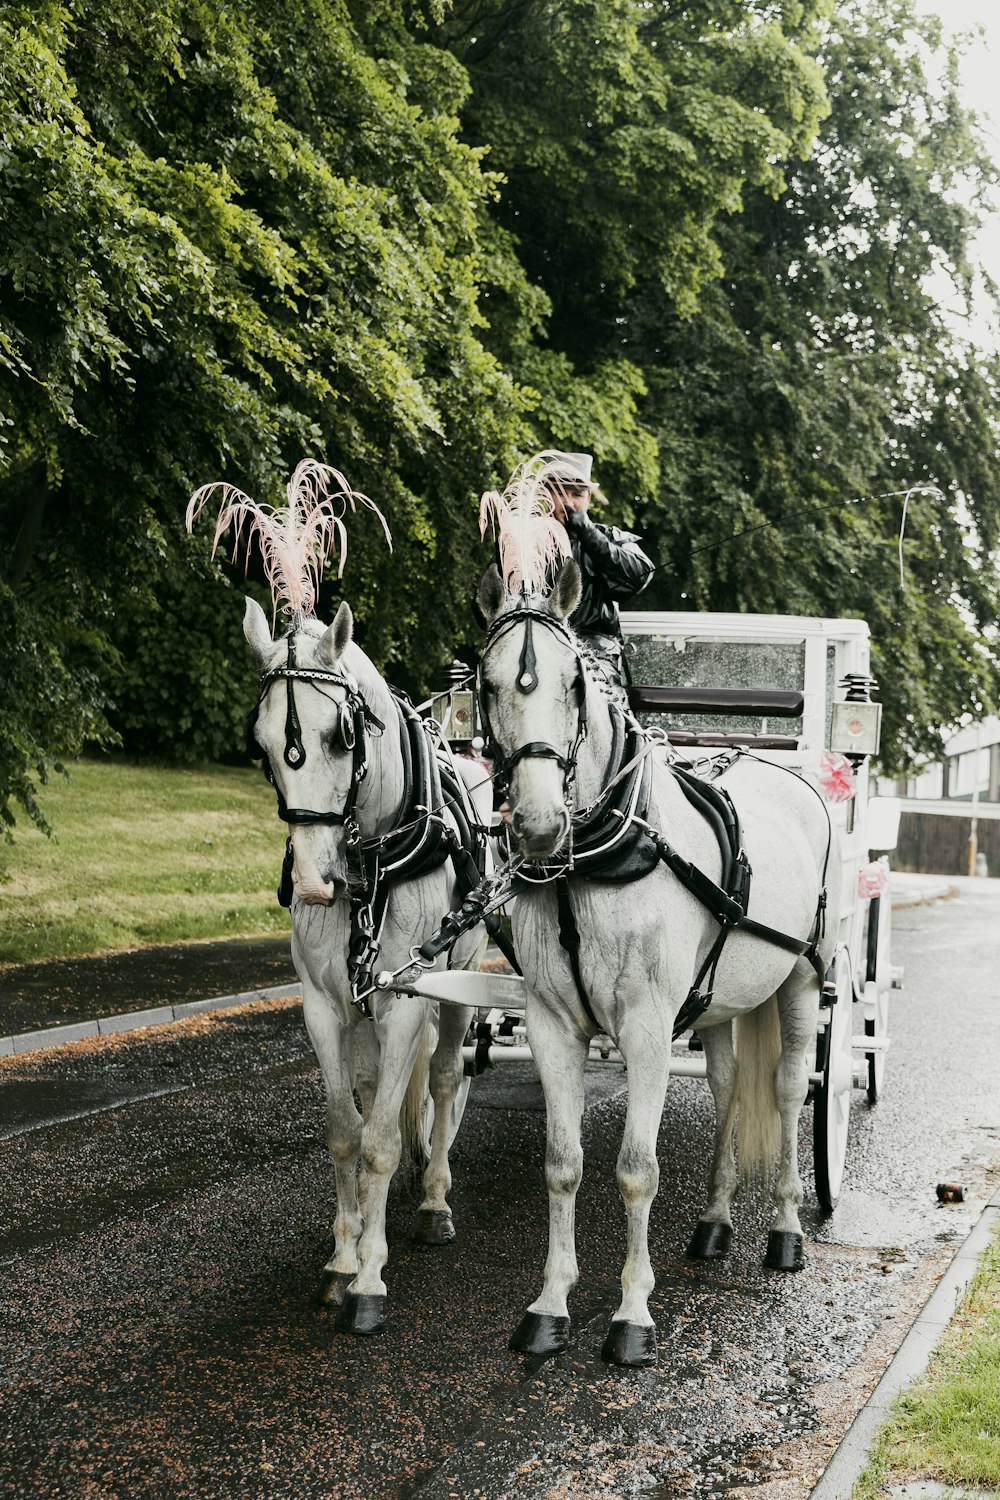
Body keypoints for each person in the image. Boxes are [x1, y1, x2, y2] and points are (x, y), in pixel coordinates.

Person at [543, 451, 654, 697]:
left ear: (588, 498)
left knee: (605, 697)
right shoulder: (523, 542)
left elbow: (641, 574)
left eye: (577, 494)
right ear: (545, 494)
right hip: (537, 647)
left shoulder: (610, 537)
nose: (569, 502)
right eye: (560, 492)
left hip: (596, 651)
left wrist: (589, 534)